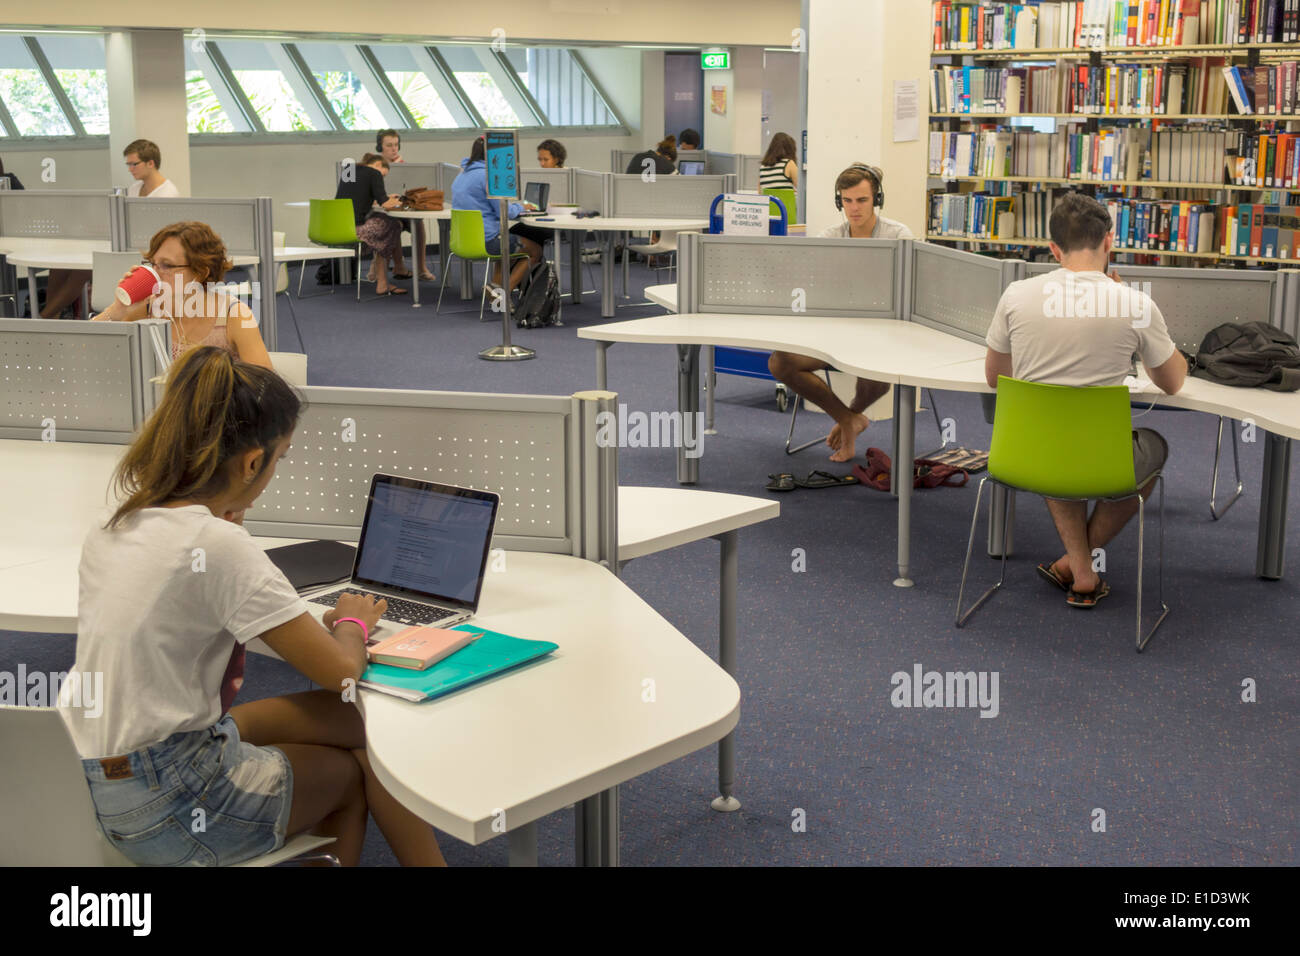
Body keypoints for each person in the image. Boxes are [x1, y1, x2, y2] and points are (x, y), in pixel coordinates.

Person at [59, 346, 448, 866]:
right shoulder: (218, 547)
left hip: (95, 769)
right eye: (280, 458)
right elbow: (340, 672)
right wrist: (354, 620)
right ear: (250, 462)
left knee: (359, 726)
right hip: (168, 799)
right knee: (352, 772)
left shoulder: (117, 522)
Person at [984, 191, 1186, 607]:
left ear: (1054, 249)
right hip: (1100, 460)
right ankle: (1080, 564)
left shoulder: (1016, 295)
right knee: (1153, 449)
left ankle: (1077, 567)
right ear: (1109, 241)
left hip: (1027, 454)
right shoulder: (1135, 304)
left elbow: (995, 377)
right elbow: (1172, 383)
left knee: (1057, 433)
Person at [768, 163, 914, 462]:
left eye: (861, 200)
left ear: (876, 199)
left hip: (881, 333)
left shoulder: (898, 236)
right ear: (839, 201)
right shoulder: (829, 236)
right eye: (847, 201)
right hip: (835, 330)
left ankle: (852, 417)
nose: (854, 208)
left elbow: (908, 292)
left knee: (875, 380)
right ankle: (849, 421)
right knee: (780, 362)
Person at [92, 220, 274, 367]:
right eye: (152, 263)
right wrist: (118, 310)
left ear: (200, 272)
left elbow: (264, 386)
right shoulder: (148, 308)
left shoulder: (234, 316)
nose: (155, 272)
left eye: (166, 265)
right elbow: (84, 347)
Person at [451, 136, 545, 293]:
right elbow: (505, 212)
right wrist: (523, 207)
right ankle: (502, 293)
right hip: (488, 242)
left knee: (508, 239)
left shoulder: (461, 176)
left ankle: (495, 287)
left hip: (462, 243)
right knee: (535, 251)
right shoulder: (489, 176)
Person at [336, 152, 407, 296]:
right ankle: (382, 283)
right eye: (384, 175)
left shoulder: (349, 170)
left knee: (385, 225)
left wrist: (383, 198)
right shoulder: (374, 173)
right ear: (378, 165)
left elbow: (356, 197)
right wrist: (400, 201)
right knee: (392, 225)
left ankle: (380, 276)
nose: (382, 178)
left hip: (337, 228)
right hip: (356, 231)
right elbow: (386, 204)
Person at [371, 129, 433, 283]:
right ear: (380, 147)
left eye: (396, 145)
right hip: (379, 213)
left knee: (418, 224)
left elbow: (409, 191)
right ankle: (396, 266)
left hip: (399, 209)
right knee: (394, 224)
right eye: (389, 145)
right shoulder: (373, 167)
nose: (394, 149)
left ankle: (421, 268)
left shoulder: (404, 166)